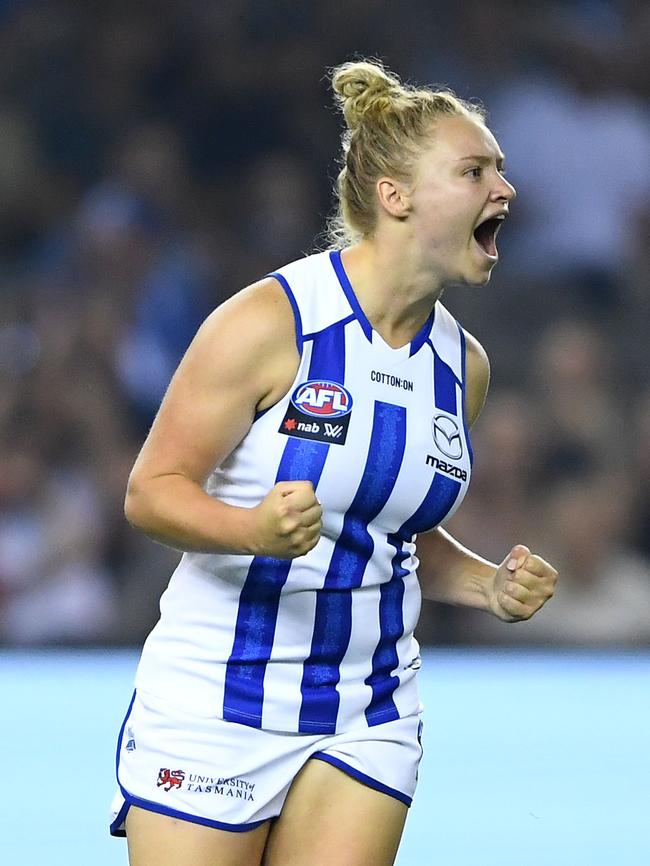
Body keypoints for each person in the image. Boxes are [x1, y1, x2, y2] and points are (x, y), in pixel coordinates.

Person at [109, 59, 558, 866]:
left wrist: (484, 583)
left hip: (369, 706)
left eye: (500, 169)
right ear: (396, 197)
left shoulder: (466, 368)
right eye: (474, 170)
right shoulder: (268, 321)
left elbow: (389, 531)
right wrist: (251, 528)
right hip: (218, 698)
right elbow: (150, 494)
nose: (505, 189)